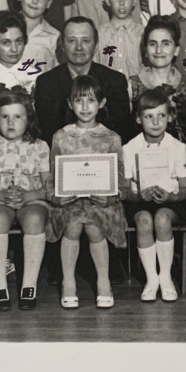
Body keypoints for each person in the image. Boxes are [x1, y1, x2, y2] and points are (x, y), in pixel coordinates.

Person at [48, 75, 127, 309]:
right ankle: (68, 282)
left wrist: (112, 195)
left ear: (101, 104)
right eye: (78, 100)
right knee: (72, 224)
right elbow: (52, 175)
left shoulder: (112, 138)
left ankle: (103, 282)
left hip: (102, 203)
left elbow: (120, 180)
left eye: (90, 100)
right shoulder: (61, 137)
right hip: (69, 203)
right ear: (70, 104)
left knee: (93, 226)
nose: (84, 107)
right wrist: (56, 196)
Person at [0, 88, 52, 311]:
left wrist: (30, 195)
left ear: (28, 118)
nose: (10, 122)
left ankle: (29, 286)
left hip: (31, 199)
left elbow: (48, 186)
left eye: (17, 116)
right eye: (4, 116)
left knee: (34, 219)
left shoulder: (40, 146)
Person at [121, 89, 186, 302]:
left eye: (161, 115)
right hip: (139, 201)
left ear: (169, 117)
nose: (156, 121)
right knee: (143, 220)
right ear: (139, 119)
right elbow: (124, 190)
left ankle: (166, 276)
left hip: (171, 202)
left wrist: (170, 197)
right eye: (149, 116)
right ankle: (152, 279)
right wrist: (139, 195)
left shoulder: (178, 147)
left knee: (161, 218)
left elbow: (185, 189)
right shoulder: (129, 148)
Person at [34, 17, 133, 144]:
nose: (79, 47)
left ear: (96, 45)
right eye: (72, 41)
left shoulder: (114, 81)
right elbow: (47, 134)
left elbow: (122, 132)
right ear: (63, 45)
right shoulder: (46, 82)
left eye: (85, 40)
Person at [129, 16, 186, 142]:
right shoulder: (131, 86)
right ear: (145, 50)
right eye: (152, 44)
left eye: (166, 43)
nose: (158, 50)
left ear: (176, 50)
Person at [94, 0, 146, 80]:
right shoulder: (99, 34)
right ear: (107, 0)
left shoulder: (144, 33)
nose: (121, 3)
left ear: (135, 0)